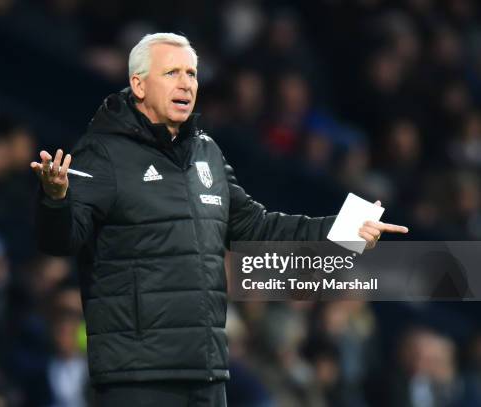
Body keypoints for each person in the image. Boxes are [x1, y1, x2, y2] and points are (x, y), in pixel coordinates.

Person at [31, 33, 408, 407]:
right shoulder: (103, 153)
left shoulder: (206, 152)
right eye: (172, 73)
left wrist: (344, 229)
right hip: (137, 376)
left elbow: (257, 227)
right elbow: (59, 241)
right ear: (139, 84)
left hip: (207, 374)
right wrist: (56, 199)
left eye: (192, 74)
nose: (186, 83)